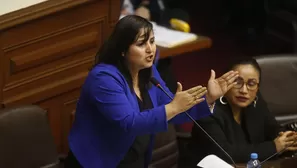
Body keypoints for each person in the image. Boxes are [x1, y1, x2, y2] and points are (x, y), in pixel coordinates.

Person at [64, 15, 238, 168]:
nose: (150, 49)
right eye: (141, 44)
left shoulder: (148, 72)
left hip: (134, 160)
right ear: (123, 50)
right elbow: (128, 123)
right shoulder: (103, 79)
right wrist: (173, 107)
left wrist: (209, 98)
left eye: (152, 41)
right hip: (100, 162)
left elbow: (172, 110)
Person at [187, 57, 297, 167]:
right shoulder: (208, 110)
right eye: (237, 82)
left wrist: (286, 137)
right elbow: (224, 154)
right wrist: (274, 147)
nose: (244, 90)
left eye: (251, 83)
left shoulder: (255, 100)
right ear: (226, 82)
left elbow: (271, 127)